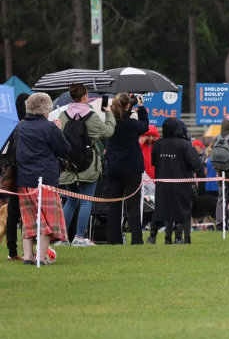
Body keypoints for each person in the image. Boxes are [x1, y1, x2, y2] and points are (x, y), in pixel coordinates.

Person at [57, 84, 116, 247]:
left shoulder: (63, 115)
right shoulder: (92, 116)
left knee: (70, 201)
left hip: (69, 164)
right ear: (85, 97)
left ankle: (62, 238)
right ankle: (79, 237)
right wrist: (109, 113)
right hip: (88, 164)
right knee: (85, 201)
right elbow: (107, 132)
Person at [15, 93, 70, 264]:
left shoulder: (20, 126)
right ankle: (41, 257)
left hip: (24, 180)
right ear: (47, 108)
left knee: (29, 220)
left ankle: (28, 257)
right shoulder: (50, 128)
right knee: (48, 221)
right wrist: (59, 130)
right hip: (45, 181)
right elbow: (64, 149)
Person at [105, 93, 150, 246]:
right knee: (133, 205)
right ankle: (136, 239)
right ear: (127, 106)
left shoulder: (111, 123)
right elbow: (145, 126)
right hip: (132, 168)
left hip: (114, 168)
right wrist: (141, 108)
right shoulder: (131, 124)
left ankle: (113, 239)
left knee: (114, 205)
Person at [150, 118, 200, 244]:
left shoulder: (158, 144)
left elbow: (153, 162)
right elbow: (195, 164)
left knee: (160, 209)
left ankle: (152, 237)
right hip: (181, 183)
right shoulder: (185, 145)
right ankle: (178, 237)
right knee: (181, 210)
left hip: (162, 183)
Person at [2, 93, 29, 260]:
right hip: (25, 173)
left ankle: (12, 251)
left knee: (12, 213)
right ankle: (29, 250)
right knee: (27, 213)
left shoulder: (9, 126)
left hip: (10, 174)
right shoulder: (25, 126)